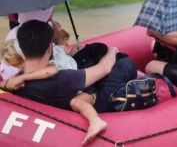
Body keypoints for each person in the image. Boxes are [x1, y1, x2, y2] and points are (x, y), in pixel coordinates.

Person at [2, 20, 137, 145]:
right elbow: (104, 68)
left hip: (51, 102)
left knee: (89, 54)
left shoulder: (14, 82)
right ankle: (97, 120)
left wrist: (8, 83)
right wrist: (112, 51)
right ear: (49, 48)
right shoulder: (62, 79)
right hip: (88, 100)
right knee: (124, 64)